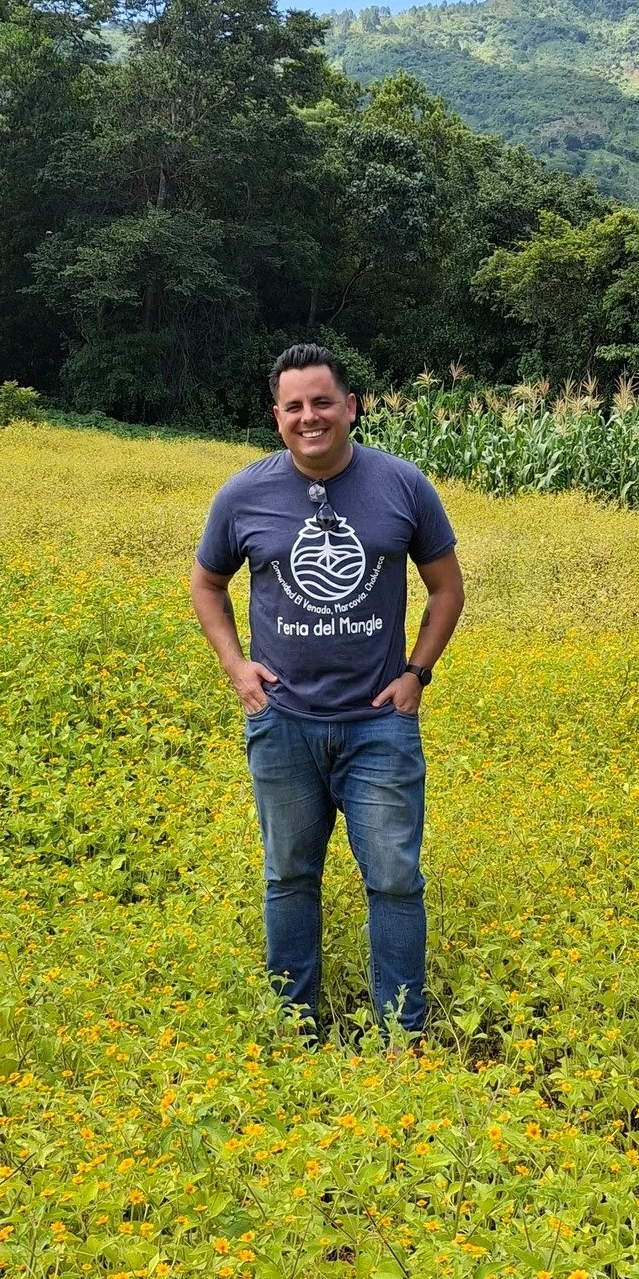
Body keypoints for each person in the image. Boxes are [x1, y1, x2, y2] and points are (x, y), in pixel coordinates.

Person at [190, 343, 465, 1036]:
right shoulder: (243, 493)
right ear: (276, 415)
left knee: (395, 880)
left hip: (379, 724)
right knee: (288, 875)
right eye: (293, 406)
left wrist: (416, 673)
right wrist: (236, 667)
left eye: (321, 402)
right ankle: (294, 1025)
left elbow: (446, 588)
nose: (308, 416)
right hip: (282, 723)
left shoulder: (401, 485)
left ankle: (402, 1032)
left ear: (351, 406)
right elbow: (206, 585)